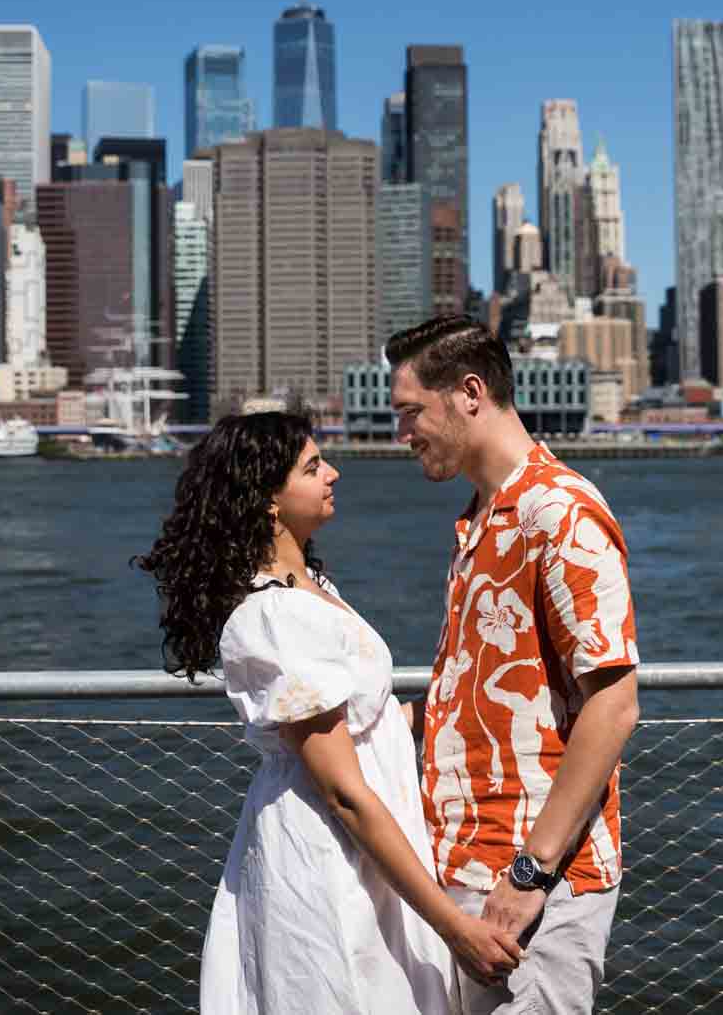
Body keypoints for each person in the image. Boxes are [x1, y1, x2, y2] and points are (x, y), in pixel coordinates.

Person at [135, 410, 524, 1015]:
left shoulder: (311, 587)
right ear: (268, 499)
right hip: (331, 854)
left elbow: (363, 727)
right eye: (313, 467)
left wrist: (470, 695)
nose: (333, 474)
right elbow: (343, 790)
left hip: (369, 847)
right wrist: (454, 926)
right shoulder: (274, 616)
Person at [386, 317, 642, 1015]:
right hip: (467, 865)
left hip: (534, 881)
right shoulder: (482, 520)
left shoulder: (559, 513)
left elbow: (614, 706)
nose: (401, 434)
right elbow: (468, 696)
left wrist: (530, 871)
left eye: (410, 412)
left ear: (469, 393)